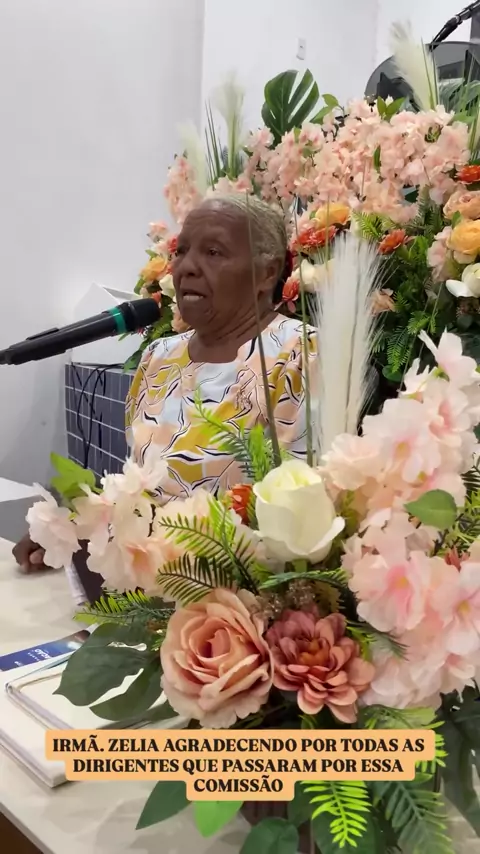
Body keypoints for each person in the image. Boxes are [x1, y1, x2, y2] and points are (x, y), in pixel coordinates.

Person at [13, 194, 313, 574]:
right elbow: (139, 493)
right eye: (181, 251)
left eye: (213, 252)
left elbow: (305, 518)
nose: (186, 267)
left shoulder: (300, 354)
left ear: (267, 273)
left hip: (237, 591)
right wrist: (72, 533)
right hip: (143, 585)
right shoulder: (158, 357)